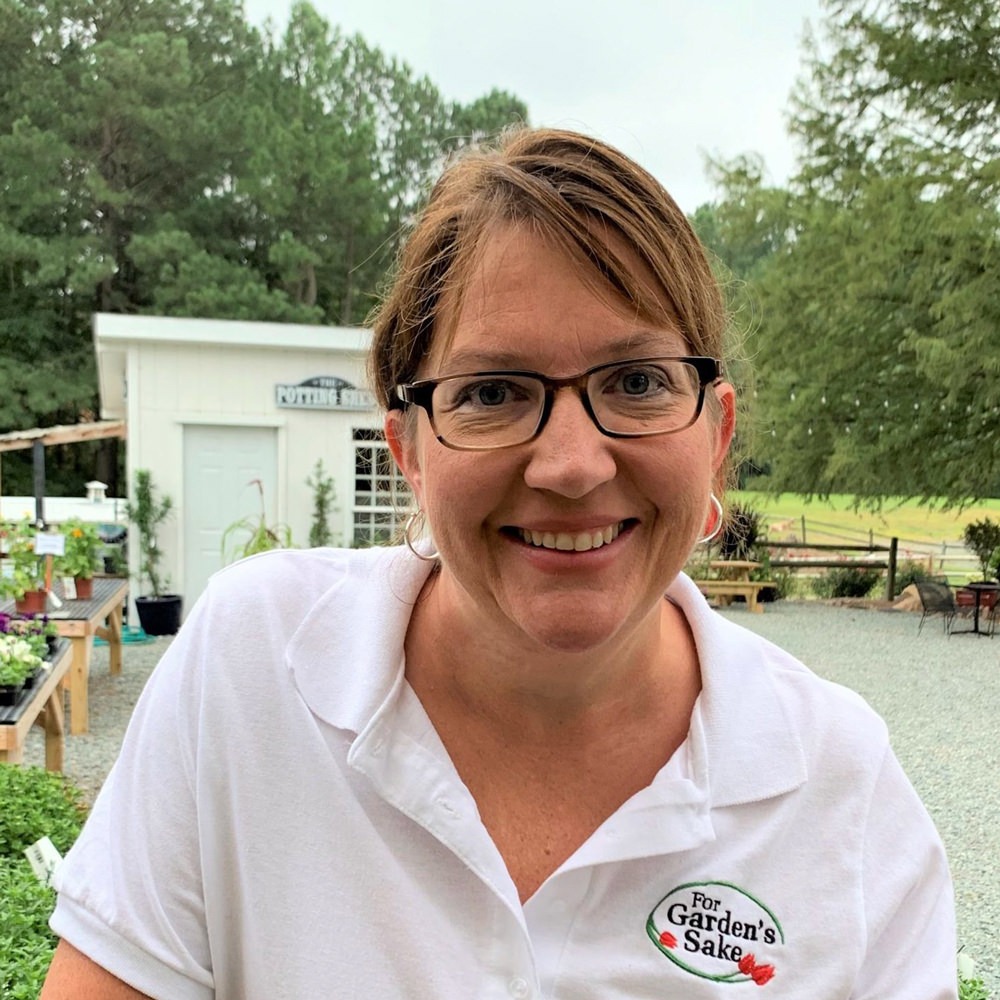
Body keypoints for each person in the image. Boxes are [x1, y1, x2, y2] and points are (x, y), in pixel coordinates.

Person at [41, 127, 956, 999]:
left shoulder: (841, 786)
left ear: (715, 434)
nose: (570, 464)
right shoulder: (253, 673)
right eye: (491, 392)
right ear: (409, 450)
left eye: (636, 382)